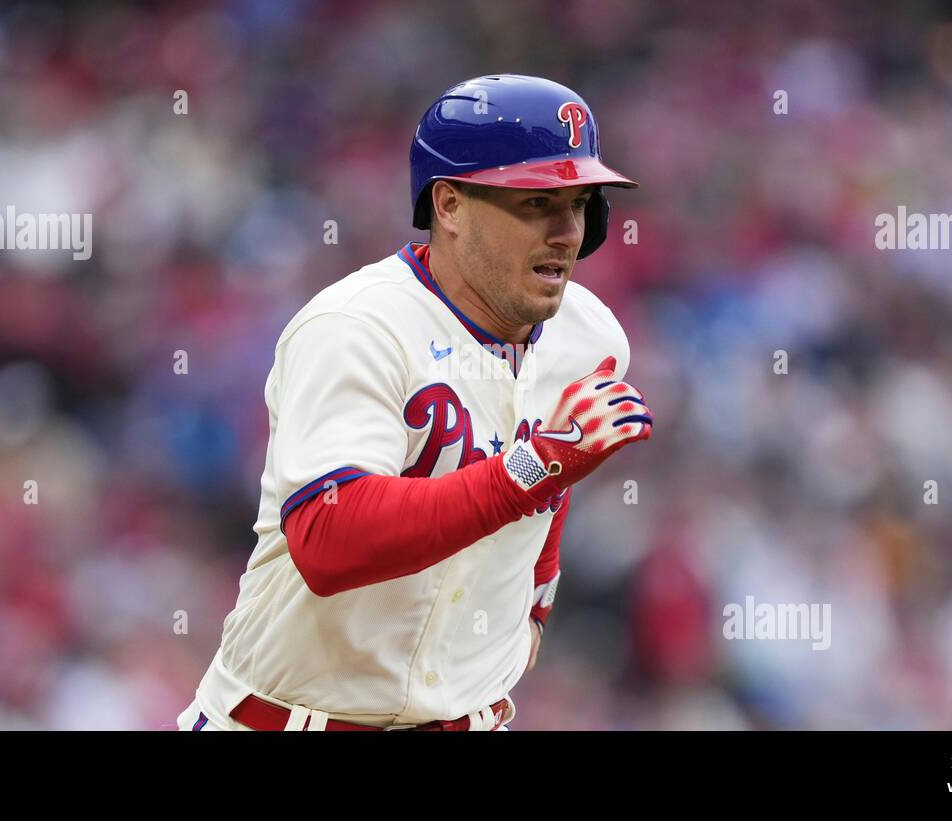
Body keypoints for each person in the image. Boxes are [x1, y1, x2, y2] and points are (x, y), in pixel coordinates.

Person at [178, 74, 653, 731]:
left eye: (579, 203)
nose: (566, 231)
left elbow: (553, 491)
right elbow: (329, 538)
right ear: (450, 205)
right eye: (536, 202)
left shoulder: (590, 336)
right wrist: (534, 465)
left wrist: (537, 600)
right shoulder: (355, 327)